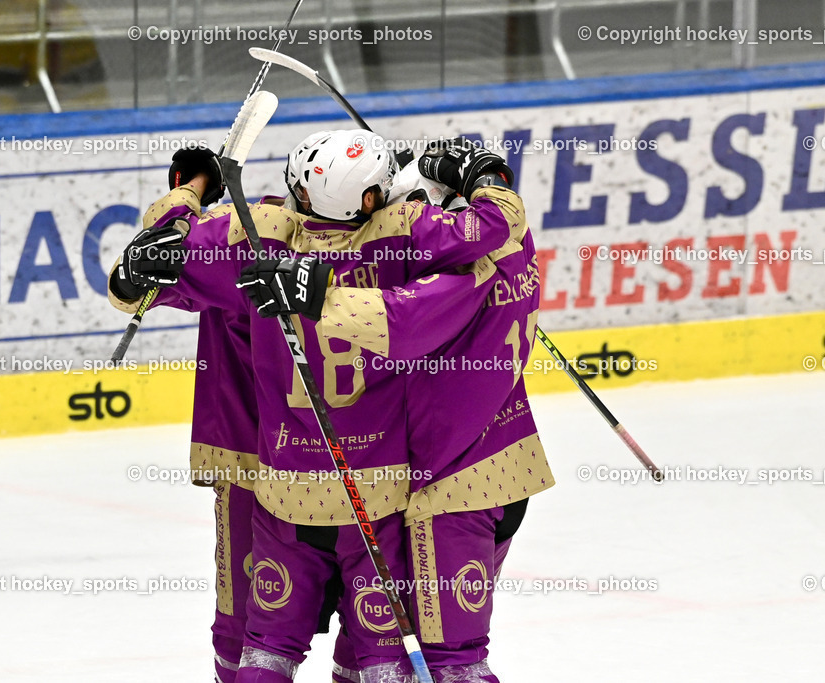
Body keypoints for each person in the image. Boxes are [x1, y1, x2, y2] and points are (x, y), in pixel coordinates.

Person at [108, 130, 524, 682]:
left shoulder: (259, 238)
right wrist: (484, 176)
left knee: (260, 649)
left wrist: (184, 196)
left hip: (277, 478)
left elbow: (136, 278)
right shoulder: (411, 239)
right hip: (395, 487)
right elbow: (495, 228)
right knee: (388, 657)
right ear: (375, 199)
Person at [250, 146, 553, 682]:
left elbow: (402, 320)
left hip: (451, 489)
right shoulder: (515, 245)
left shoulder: (458, 279)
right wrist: (482, 178)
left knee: (454, 660)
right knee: (388, 635)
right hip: (510, 465)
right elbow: (494, 215)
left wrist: (313, 290)